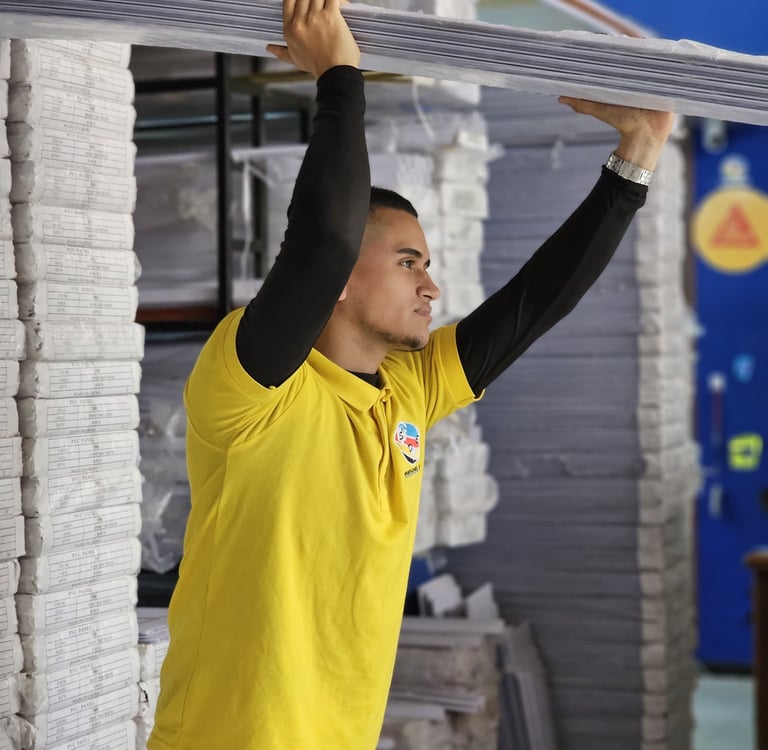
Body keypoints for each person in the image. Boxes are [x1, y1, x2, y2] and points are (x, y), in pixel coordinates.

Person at [148, 0, 675, 748]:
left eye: (426, 264)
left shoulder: (409, 391)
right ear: (339, 280)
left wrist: (636, 158)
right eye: (407, 262)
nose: (431, 286)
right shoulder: (252, 388)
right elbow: (324, 239)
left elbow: (535, 304)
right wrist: (338, 74)